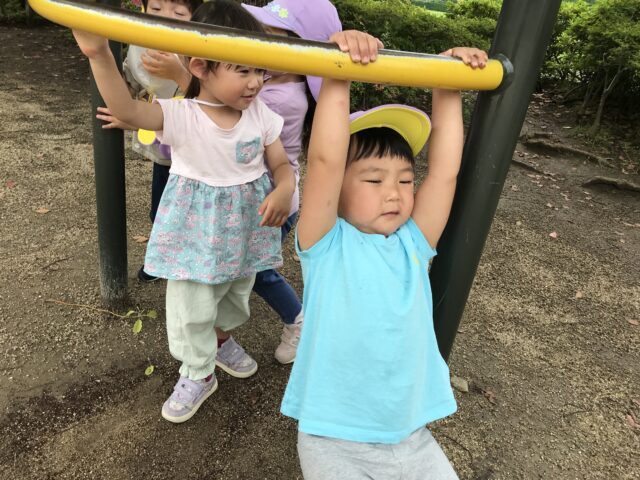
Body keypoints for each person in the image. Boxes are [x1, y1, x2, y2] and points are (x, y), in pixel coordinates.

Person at [72, 0, 296, 423]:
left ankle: (221, 339)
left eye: (260, 70)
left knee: (235, 296)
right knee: (191, 306)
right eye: (242, 70)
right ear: (200, 67)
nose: (255, 82)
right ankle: (198, 372)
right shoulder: (183, 114)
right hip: (195, 234)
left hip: (244, 233)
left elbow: (281, 163)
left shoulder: (261, 114)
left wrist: (285, 188)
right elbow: (127, 110)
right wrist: (99, 54)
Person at [280, 29, 488, 479]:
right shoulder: (325, 244)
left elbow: (445, 173)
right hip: (333, 437)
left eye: (405, 180)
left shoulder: (413, 244)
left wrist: (448, 83)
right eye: (374, 180)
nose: (394, 192)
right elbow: (325, 161)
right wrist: (337, 70)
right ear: (337, 190)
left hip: (410, 436)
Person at [215, 0, 343, 366]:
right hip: (262, 195)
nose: (262, 43)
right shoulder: (272, 81)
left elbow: (228, 118)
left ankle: (298, 322)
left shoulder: (282, 98)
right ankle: (220, 335)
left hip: (276, 200)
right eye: (262, 33)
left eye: (275, 37)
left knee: (256, 271)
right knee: (244, 266)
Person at [95, 0, 202, 283]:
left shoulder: (202, 48)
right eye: (155, 9)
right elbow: (132, 83)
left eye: (178, 13)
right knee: (160, 210)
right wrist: (124, 105)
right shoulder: (141, 42)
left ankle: (185, 263)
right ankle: (163, 259)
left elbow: (208, 102)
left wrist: (177, 71)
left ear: (195, 17)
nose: (165, 17)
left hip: (197, 153)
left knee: (192, 211)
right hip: (165, 152)